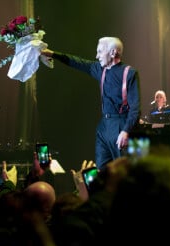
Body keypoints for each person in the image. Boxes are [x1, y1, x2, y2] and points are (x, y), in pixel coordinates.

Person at [41, 37, 141, 169]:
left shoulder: (130, 73)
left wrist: (126, 131)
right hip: (104, 126)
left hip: (121, 125)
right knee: (103, 170)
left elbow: (135, 108)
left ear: (113, 52)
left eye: (100, 52)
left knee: (126, 171)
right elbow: (77, 62)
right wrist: (52, 54)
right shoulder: (100, 69)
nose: (97, 56)